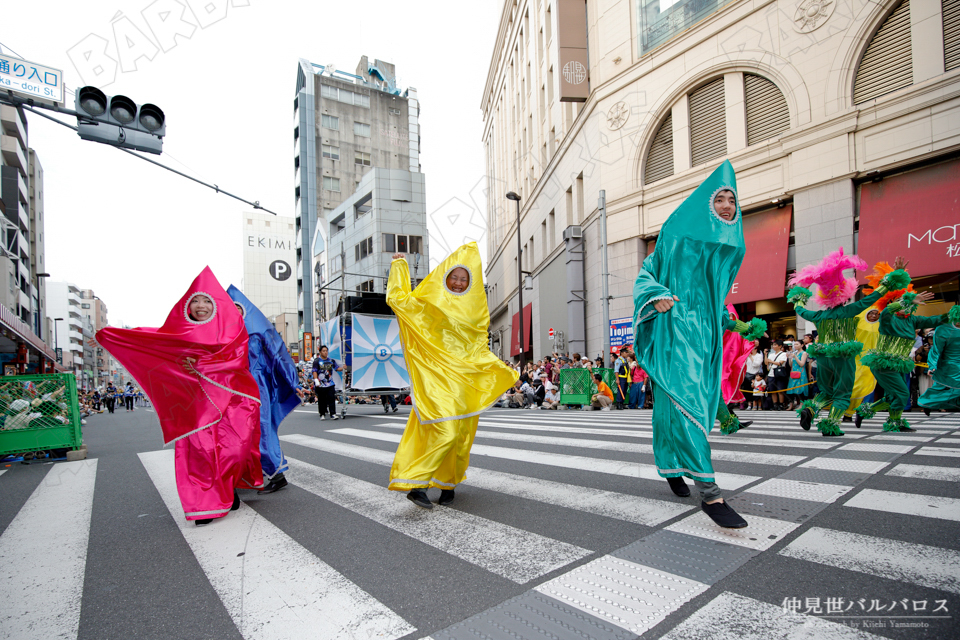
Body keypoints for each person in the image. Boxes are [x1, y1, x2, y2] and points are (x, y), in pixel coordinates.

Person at [632, 160, 757, 529]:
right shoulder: (671, 245)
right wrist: (656, 295)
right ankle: (711, 492)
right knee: (686, 409)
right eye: (720, 199)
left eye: (732, 200)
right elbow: (645, 277)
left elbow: (713, 310)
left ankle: (671, 465)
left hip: (705, 347)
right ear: (706, 203)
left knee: (680, 413)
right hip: (673, 338)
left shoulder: (717, 256)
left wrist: (738, 325)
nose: (727, 206)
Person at [97, 267, 263, 525]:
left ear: (217, 304)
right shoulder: (177, 333)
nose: (200, 305)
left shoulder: (233, 328)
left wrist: (202, 366)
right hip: (194, 402)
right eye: (195, 300)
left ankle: (228, 488)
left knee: (235, 450)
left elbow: (237, 359)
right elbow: (148, 339)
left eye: (206, 300)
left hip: (234, 398)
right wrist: (108, 336)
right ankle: (205, 503)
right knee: (200, 452)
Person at [387, 243, 517, 509]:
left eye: (464, 279)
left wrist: (495, 368)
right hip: (435, 383)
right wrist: (399, 267)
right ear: (444, 278)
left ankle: (448, 483)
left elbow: (479, 347)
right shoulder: (427, 306)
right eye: (454, 277)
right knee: (445, 433)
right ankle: (418, 484)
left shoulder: (475, 314)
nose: (458, 283)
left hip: (463, 384)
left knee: (460, 438)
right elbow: (398, 299)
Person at [789, 249, 909, 436]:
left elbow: (799, 309)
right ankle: (831, 425)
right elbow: (875, 296)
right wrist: (895, 276)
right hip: (843, 358)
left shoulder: (818, 315)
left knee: (827, 392)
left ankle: (811, 409)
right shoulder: (849, 310)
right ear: (845, 294)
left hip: (823, 358)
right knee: (843, 393)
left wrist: (800, 291)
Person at [228, 286, 302, 493]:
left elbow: (279, 356)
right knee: (235, 431)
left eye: (237, 308)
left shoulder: (258, 333)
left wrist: (294, 382)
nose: (234, 312)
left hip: (257, 387)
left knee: (261, 428)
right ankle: (244, 474)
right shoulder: (223, 336)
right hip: (232, 390)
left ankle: (277, 474)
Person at [919, 307, 960, 415]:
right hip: (949, 365)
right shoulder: (944, 329)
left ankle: (929, 403)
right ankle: (927, 403)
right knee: (943, 387)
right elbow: (936, 350)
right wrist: (932, 365)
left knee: (944, 387)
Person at [312, 345, 342, 420]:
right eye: (323, 351)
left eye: (326, 351)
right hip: (321, 384)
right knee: (322, 399)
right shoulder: (317, 361)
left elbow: (337, 368)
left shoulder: (331, 361)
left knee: (331, 398)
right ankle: (322, 414)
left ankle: (333, 414)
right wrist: (316, 380)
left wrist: (343, 368)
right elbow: (314, 371)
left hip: (330, 383)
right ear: (320, 352)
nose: (325, 352)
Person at [764, 341, 789, 410]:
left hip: (779, 373)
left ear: (780, 346)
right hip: (771, 374)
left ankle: (781, 404)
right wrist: (765, 355)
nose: (774, 346)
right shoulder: (771, 354)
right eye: (773, 345)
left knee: (780, 390)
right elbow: (766, 363)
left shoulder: (783, 354)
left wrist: (771, 361)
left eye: (775, 345)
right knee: (772, 390)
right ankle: (775, 404)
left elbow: (780, 363)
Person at [786, 341, 808, 411]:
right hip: (793, 373)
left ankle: (801, 404)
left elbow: (801, 364)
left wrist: (795, 357)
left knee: (800, 389)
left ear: (802, 345)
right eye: (794, 344)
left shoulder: (804, 353)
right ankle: (791, 404)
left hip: (800, 373)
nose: (795, 346)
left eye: (797, 344)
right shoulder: (794, 353)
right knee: (791, 389)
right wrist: (789, 358)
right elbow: (790, 365)